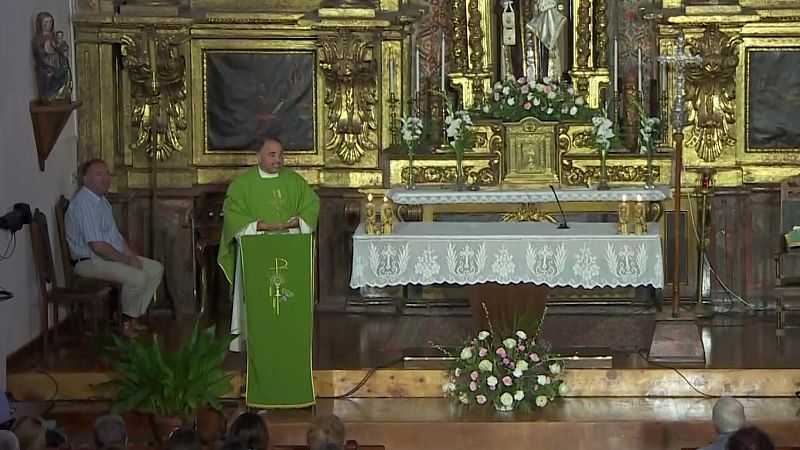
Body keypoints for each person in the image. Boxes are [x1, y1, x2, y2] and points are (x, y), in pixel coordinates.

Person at [217, 138, 319, 352]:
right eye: (272, 155)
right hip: (257, 248)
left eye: (281, 154)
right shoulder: (242, 185)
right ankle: (254, 339)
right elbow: (232, 214)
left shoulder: (294, 181)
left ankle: (290, 335)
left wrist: (297, 222)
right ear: (259, 156)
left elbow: (312, 204)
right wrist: (257, 225)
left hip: (289, 248)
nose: (278, 160)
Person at [65, 159, 164, 334]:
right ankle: (125, 323)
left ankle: (131, 316)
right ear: (85, 179)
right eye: (98, 174)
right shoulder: (83, 204)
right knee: (137, 278)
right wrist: (127, 260)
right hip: (88, 262)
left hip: (107, 257)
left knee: (155, 269)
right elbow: (98, 246)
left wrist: (130, 255)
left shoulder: (102, 202)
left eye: (107, 174)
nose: (105, 178)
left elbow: (115, 237)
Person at [32, 11, 72, 103]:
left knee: (66, 71)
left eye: (50, 22)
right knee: (52, 73)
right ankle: (51, 96)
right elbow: (40, 55)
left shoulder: (54, 37)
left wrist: (61, 51)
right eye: (46, 22)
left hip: (57, 62)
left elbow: (59, 48)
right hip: (46, 64)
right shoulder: (38, 39)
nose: (48, 24)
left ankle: (61, 94)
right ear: (40, 24)